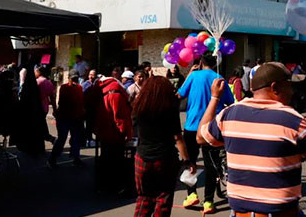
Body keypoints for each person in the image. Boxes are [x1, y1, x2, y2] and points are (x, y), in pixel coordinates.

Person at [197, 62, 306, 216]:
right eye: (289, 86)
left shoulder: (229, 114)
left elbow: (201, 137)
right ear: (274, 88)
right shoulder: (293, 120)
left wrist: (214, 98)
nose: (292, 92)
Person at [177, 54, 235, 213]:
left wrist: (189, 73)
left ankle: (191, 194)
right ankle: (209, 201)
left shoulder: (194, 75)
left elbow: (180, 94)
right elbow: (231, 103)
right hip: (212, 128)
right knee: (212, 164)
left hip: (192, 125)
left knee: (190, 161)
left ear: (201, 63)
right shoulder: (219, 78)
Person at [132, 75, 195, 217]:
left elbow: (134, 130)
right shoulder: (168, 108)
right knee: (164, 197)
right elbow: (178, 137)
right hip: (165, 157)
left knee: (144, 197)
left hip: (142, 156)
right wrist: (187, 160)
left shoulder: (139, 107)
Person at [91, 72, 133, 194]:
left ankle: (104, 185)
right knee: (115, 160)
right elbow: (118, 116)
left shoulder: (103, 89)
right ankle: (114, 186)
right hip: (114, 133)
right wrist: (125, 132)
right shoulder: (115, 92)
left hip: (103, 131)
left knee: (105, 157)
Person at [48, 70, 85, 168]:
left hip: (75, 117)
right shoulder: (65, 88)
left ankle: (76, 158)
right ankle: (52, 159)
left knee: (75, 139)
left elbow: (80, 103)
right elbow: (63, 102)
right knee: (62, 139)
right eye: (73, 79)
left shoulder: (78, 88)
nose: (74, 81)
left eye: (76, 79)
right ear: (69, 78)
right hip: (65, 117)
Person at [34, 66, 57, 143]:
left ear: (39, 72)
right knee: (40, 125)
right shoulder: (49, 83)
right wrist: (55, 109)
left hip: (37, 108)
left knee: (37, 126)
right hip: (45, 108)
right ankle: (49, 138)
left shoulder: (37, 82)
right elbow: (52, 98)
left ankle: (49, 138)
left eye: (35, 71)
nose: (34, 73)